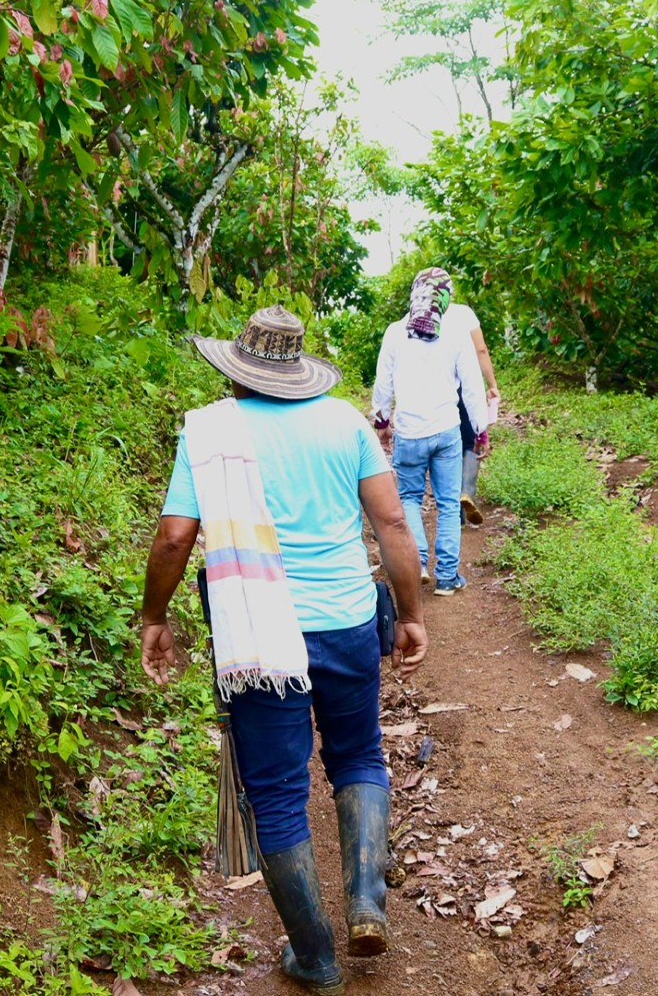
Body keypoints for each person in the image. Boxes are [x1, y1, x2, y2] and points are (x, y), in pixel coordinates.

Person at [140, 306, 427, 995]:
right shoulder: (346, 422)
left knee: (275, 791)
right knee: (359, 755)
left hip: (256, 634)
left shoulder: (208, 432)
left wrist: (154, 614)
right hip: (347, 621)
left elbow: (176, 536)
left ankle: (317, 957)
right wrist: (410, 613)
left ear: (236, 371)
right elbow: (390, 521)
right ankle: (366, 899)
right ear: (299, 373)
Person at [370, 267, 489, 597]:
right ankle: (447, 577)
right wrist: (480, 430)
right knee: (448, 503)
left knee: (409, 498)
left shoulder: (395, 332)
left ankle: (419, 563)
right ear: (446, 300)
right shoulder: (456, 335)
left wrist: (381, 422)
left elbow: (383, 385)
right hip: (447, 431)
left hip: (409, 432)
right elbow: (472, 389)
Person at [439, 289, 500, 527]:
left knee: (447, 445)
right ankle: (467, 492)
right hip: (467, 383)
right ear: (450, 293)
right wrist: (492, 384)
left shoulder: (423, 315)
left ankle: (453, 510)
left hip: (441, 388)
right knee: (471, 440)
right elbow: (481, 349)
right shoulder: (464, 313)